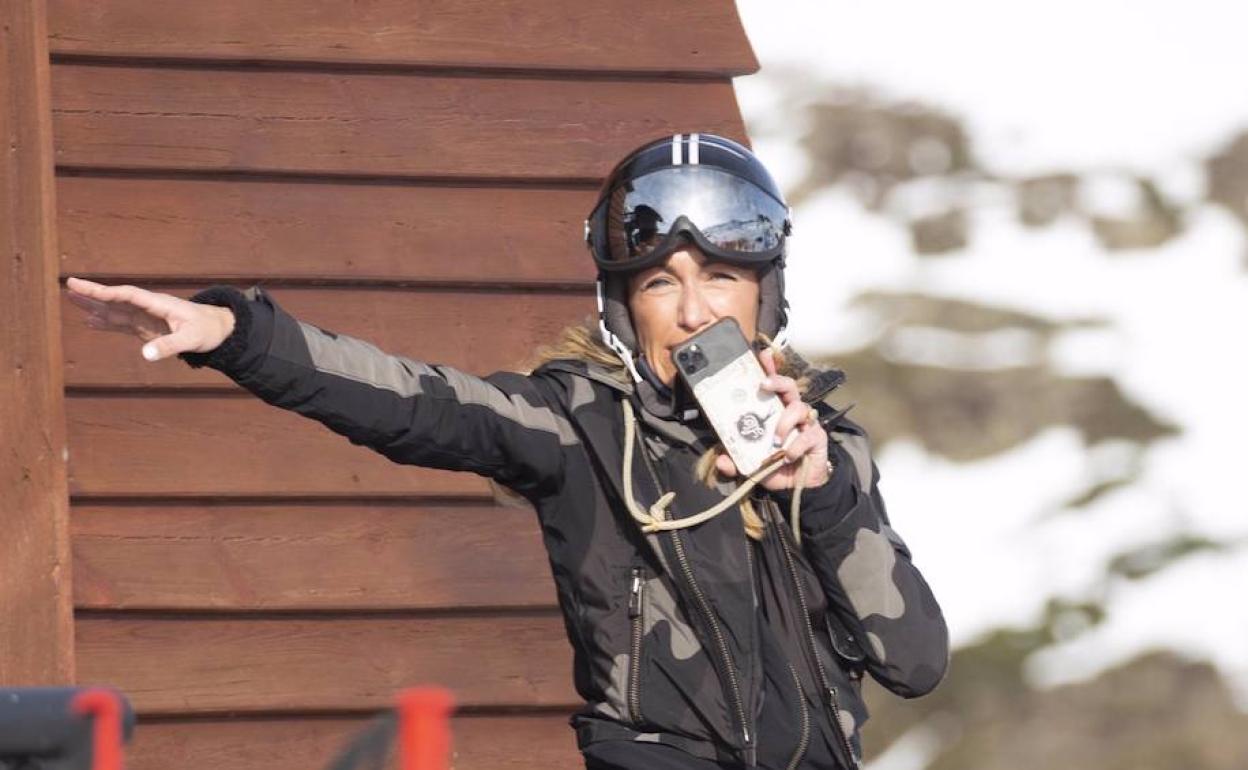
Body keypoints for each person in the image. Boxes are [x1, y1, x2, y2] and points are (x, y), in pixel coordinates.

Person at [66, 133, 948, 769]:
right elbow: (412, 401)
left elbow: (913, 662)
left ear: (766, 295)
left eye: (720, 277)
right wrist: (235, 333)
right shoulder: (581, 424)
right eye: (658, 284)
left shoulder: (824, 448)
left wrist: (823, 497)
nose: (693, 314)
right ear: (620, 305)